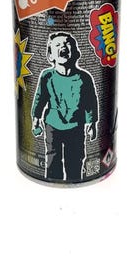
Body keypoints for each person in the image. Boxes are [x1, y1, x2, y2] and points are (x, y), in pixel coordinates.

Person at [32, 32, 98, 181]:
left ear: (75, 52)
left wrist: (92, 123)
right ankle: (52, 180)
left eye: (67, 44)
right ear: (51, 56)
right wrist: (36, 118)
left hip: (76, 125)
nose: (63, 46)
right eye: (57, 45)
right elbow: (40, 98)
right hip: (52, 124)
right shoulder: (47, 76)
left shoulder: (84, 78)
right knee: (52, 158)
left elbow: (90, 102)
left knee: (75, 159)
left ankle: (75, 180)